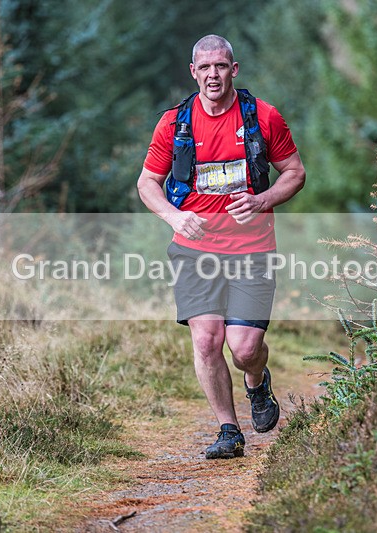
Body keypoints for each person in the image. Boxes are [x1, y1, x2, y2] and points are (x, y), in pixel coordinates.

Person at [136, 35, 305, 459]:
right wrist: (174, 217)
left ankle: (256, 381)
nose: (214, 75)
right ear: (193, 72)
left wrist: (264, 200)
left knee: (244, 348)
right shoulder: (175, 124)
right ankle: (228, 430)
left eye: (222, 66)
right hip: (194, 251)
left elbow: (294, 173)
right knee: (208, 341)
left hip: (253, 250)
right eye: (206, 67)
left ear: (235, 69)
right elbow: (146, 183)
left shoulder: (263, 117)